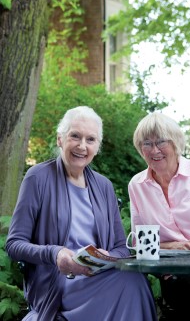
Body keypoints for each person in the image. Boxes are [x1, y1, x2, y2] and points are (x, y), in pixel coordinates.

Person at [6, 106, 158, 321]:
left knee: (135, 281)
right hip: (57, 282)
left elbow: (121, 247)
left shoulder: (104, 186)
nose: (82, 146)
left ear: (98, 147)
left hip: (98, 275)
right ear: (60, 139)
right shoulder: (37, 178)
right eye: (74, 136)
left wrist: (106, 257)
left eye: (90, 139)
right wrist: (56, 254)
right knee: (131, 284)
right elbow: (14, 244)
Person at [128, 111, 190, 321]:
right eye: (146, 143)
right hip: (176, 276)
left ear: (176, 143)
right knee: (183, 288)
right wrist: (172, 246)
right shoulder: (137, 186)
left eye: (161, 142)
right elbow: (140, 243)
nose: (154, 150)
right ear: (140, 149)